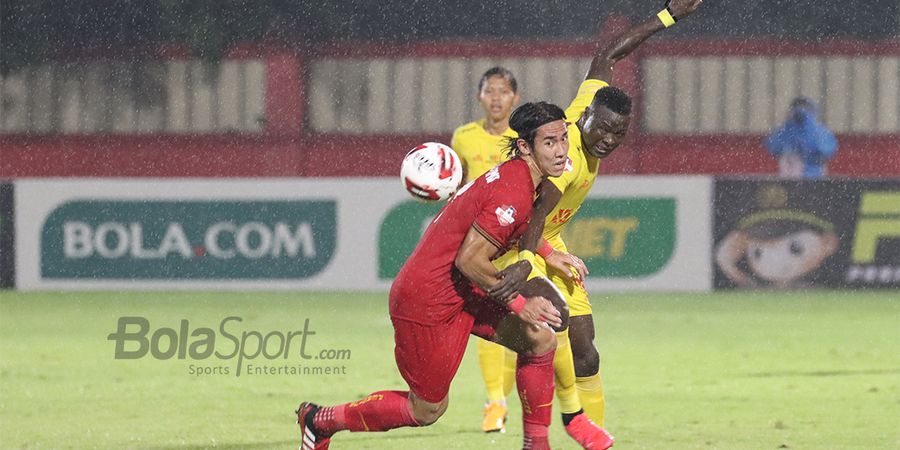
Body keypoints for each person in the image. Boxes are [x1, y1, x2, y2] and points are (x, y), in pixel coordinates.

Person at [489, 1, 705, 446]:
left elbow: (608, 53)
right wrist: (544, 257)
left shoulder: (589, 106)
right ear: (584, 119)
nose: (608, 140)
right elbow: (533, 216)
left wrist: (668, 16)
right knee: (555, 330)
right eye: (602, 130)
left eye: (618, 135)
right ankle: (549, 427)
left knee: (586, 350)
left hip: (545, 237)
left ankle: (593, 434)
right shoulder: (564, 163)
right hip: (516, 238)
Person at [297, 101, 572, 450]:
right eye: (550, 142)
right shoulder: (513, 192)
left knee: (540, 340)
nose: (561, 149)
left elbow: (541, 203)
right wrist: (520, 303)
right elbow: (469, 261)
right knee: (427, 409)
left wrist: (540, 254)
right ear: (525, 146)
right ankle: (319, 421)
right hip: (427, 298)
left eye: (563, 139)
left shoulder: (527, 178)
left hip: (464, 290)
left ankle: (537, 445)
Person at [450, 66, 522, 433]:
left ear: (515, 98)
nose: (496, 98)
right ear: (480, 97)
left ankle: (501, 400)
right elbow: (456, 186)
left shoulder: (524, 138)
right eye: (490, 91)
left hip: (519, 244)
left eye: (503, 91)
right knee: (491, 318)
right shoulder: (463, 137)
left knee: (523, 323)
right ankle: (495, 401)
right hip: (479, 246)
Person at [765, 96, 838, 178]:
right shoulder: (786, 129)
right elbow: (773, 147)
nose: (801, 110)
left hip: (815, 178)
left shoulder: (820, 131)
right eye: (798, 107)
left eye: (805, 107)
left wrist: (808, 127)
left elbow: (826, 150)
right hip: (790, 178)